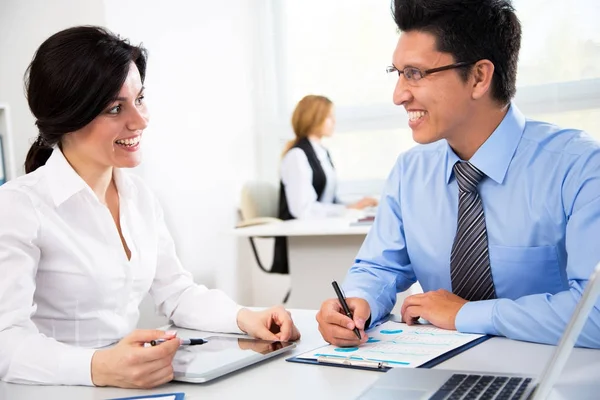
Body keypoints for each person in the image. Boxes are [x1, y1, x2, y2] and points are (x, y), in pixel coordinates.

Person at [0, 26, 300, 389]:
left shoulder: (138, 196)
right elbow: (6, 342)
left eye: (140, 99)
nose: (141, 121)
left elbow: (177, 292)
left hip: (132, 385)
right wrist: (98, 366)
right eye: (115, 108)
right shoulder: (19, 206)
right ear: (68, 117)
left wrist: (245, 318)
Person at [317, 0, 600, 349]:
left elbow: (596, 314)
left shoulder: (580, 167)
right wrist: (358, 303)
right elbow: (379, 268)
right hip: (436, 371)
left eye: (415, 73)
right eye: (398, 73)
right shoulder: (410, 172)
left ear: (479, 77)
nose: (399, 95)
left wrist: (466, 314)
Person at [278, 94, 377, 221]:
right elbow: (303, 210)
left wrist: (354, 206)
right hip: (298, 236)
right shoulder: (297, 155)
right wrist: (346, 209)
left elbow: (328, 201)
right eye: (329, 117)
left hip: (319, 229)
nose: (334, 121)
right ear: (313, 119)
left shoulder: (322, 152)